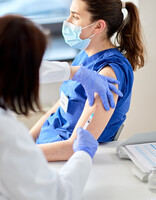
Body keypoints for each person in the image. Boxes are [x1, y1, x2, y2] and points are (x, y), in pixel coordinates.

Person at [0, 14, 121, 200]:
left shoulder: (109, 68)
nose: (68, 21)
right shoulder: (7, 133)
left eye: (75, 16)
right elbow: (59, 195)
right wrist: (83, 154)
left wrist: (75, 72)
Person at [30, 0, 145, 162]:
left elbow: (73, 147)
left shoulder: (108, 74)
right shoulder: (84, 56)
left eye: (75, 17)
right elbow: (58, 109)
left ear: (98, 26)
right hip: (44, 147)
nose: (67, 21)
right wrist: (27, 140)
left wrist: (21, 154)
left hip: (62, 160)